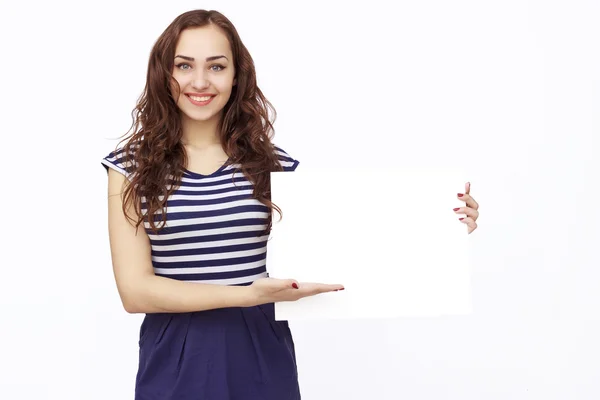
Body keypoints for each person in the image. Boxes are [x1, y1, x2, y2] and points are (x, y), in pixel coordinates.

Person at [101, 9, 480, 400]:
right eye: (184, 65)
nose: (200, 81)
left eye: (216, 66)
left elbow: (348, 243)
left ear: (236, 75)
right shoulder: (129, 167)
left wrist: (439, 225)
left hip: (261, 351)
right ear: (164, 73)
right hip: (176, 355)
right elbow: (136, 292)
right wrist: (249, 294)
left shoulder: (273, 166)